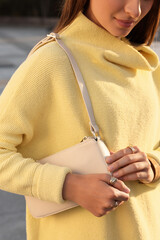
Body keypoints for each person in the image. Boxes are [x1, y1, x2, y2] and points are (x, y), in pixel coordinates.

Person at [0, 0, 160, 239]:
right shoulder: (52, 61)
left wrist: (152, 165)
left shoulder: (147, 66)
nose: (134, 10)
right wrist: (67, 185)